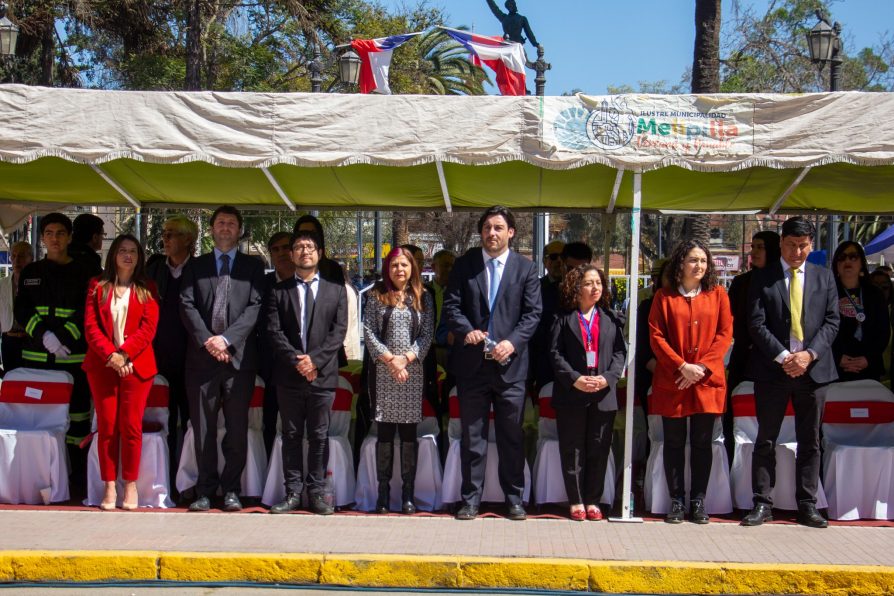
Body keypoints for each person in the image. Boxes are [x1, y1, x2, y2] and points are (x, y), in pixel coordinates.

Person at [442, 205, 541, 521]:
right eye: (487, 227)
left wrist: (511, 343)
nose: (492, 233)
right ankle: (470, 499)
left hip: (510, 368)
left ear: (511, 232)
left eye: (499, 228)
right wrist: (466, 330)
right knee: (474, 437)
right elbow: (452, 306)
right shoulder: (465, 265)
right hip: (472, 367)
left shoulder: (525, 268)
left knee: (512, 435)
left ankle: (514, 499)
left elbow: (532, 314)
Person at [742, 216, 839, 529]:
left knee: (810, 441)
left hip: (813, 371)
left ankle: (808, 504)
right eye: (791, 245)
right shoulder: (763, 277)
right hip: (773, 370)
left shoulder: (825, 277)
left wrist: (808, 356)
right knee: (765, 439)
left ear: (811, 245)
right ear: (781, 243)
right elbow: (756, 323)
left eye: (802, 246)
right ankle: (762, 503)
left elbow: (832, 322)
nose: (797, 251)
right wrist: (785, 357)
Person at [179, 205, 266, 512]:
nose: (226, 227)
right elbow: (187, 305)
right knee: (202, 429)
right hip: (202, 360)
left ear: (239, 230)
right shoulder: (196, 266)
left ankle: (231, 490)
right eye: (220, 223)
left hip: (238, 360)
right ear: (212, 229)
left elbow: (255, 308)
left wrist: (227, 340)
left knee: (236, 429)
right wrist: (209, 340)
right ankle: (204, 491)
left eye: (231, 223)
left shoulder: (254, 267)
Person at [648, 239, 733, 524]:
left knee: (701, 442)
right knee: (673, 441)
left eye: (703, 261)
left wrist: (701, 368)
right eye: (693, 260)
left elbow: (724, 335)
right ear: (680, 264)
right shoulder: (664, 297)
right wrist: (682, 366)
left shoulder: (718, 294)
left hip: (706, 381)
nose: (699, 266)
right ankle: (675, 500)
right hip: (674, 379)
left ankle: (698, 500)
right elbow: (656, 337)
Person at [265, 230, 347, 515]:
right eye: (299, 247)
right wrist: (298, 361)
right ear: (292, 254)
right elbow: (274, 332)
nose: (304, 251)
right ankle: (292, 492)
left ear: (320, 254)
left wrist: (314, 362)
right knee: (290, 434)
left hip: (322, 375)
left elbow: (338, 333)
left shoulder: (336, 291)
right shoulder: (279, 291)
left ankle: (317, 492)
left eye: (310, 247)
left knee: (319, 435)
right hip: (289, 375)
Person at [16, 213, 95, 495]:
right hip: (37, 361)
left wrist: (62, 337)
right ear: (42, 238)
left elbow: (86, 311)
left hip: (73, 361)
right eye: (49, 233)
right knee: (39, 421)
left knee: (77, 422)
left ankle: (76, 481)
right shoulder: (31, 272)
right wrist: (44, 336)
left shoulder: (85, 271)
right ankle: (40, 479)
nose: (54, 238)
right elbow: (22, 310)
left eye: (60, 233)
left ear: (70, 237)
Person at [83, 234, 159, 510]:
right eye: (123, 251)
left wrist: (124, 353)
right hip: (103, 367)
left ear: (139, 258)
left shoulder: (147, 288)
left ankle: (130, 485)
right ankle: (109, 487)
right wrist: (112, 356)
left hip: (137, 367)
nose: (128, 256)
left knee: (130, 427)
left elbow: (148, 328)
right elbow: (91, 328)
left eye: (133, 252)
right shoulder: (96, 286)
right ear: (113, 254)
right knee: (107, 427)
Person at [549, 265, 626, 521]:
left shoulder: (612, 318)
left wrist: (608, 378)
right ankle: (576, 499)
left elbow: (619, 354)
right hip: (572, 393)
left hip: (603, 393)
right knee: (573, 449)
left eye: (598, 283)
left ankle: (593, 498)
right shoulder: (562, 318)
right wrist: (575, 379)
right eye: (589, 283)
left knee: (598, 447)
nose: (595, 288)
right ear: (576, 288)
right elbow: (555, 354)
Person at [364, 247, 434, 514]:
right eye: (394, 265)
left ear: (412, 268)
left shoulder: (423, 297)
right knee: (384, 432)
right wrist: (390, 360)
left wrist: (406, 358)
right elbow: (369, 332)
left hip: (412, 373)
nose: (399, 270)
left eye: (404, 265)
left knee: (408, 434)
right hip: (383, 372)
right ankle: (383, 494)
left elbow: (426, 335)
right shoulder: (375, 295)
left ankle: (408, 494)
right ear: (387, 269)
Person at [146, 215, 198, 496]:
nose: (165, 239)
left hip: (191, 362)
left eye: (172, 234)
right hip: (158, 362)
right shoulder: (153, 270)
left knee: (191, 424)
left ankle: (189, 483)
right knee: (161, 423)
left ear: (189, 239)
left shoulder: (201, 270)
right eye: (164, 234)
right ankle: (161, 481)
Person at [724, 231, 780, 459]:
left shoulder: (781, 280)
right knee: (735, 416)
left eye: (760, 247)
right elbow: (731, 320)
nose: (753, 252)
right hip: (744, 360)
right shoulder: (741, 282)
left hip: (775, 361)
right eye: (753, 246)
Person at [258, 231, 296, 455]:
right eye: (276, 249)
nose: (281, 253)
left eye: (285, 248)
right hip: (269, 367)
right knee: (269, 423)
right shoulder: (261, 284)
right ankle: (268, 476)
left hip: (302, 365)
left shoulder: (307, 282)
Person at [830, 241, 890, 382]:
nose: (847, 261)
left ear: (861, 262)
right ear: (836, 264)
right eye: (842, 257)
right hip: (836, 367)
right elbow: (820, 330)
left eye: (853, 256)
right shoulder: (827, 293)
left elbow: (883, 332)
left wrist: (868, 358)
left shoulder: (875, 293)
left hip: (869, 366)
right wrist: (837, 357)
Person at [530, 240, 565, 393]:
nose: (558, 261)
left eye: (562, 257)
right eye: (553, 257)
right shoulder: (534, 289)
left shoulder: (579, 289)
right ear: (545, 261)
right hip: (543, 361)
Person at [0, 241, 33, 374]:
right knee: (11, 381)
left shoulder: (38, 284)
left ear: (31, 258)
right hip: (9, 339)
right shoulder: (2, 284)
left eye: (22, 256)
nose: (16, 260)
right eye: (13, 256)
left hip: (31, 340)